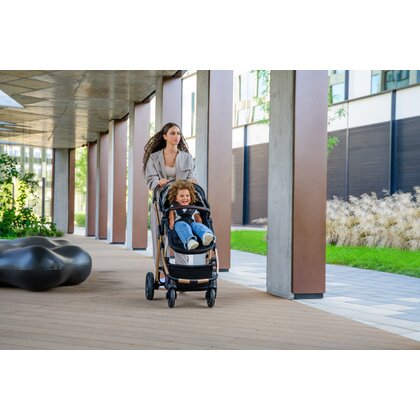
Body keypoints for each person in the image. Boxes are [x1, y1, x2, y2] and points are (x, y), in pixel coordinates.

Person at [143, 122, 197, 265]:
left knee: (182, 232)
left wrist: (190, 181)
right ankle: (161, 269)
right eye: (172, 133)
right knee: (160, 236)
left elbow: (192, 177)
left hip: (181, 204)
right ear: (165, 136)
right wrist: (158, 181)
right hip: (160, 202)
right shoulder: (154, 157)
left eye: (178, 133)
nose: (176, 136)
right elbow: (150, 179)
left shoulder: (187, 157)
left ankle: (182, 268)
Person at [168, 180, 215, 250]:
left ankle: (206, 235)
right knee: (182, 225)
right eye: (181, 196)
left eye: (187, 196)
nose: (185, 198)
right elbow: (171, 216)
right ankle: (189, 241)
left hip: (191, 223)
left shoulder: (193, 207)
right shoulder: (174, 207)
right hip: (179, 224)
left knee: (197, 225)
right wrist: (171, 223)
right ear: (176, 198)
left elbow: (198, 218)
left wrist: (200, 224)